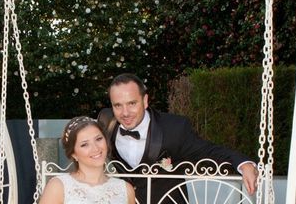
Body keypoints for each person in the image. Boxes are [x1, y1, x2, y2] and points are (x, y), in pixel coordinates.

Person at [98, 73, 259, 204]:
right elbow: (81, 132)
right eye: (117, 105)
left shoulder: (174, 128)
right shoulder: (107, 121)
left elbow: (209, 152)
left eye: (132, 103)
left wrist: (243, 164)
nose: (125, 113)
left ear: (145, 101)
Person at [39, 116, 135, 204]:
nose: (96, 148)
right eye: (84, 144)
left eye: (98, 139)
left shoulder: (125, 189)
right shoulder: (58, 187)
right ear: (74, 154)